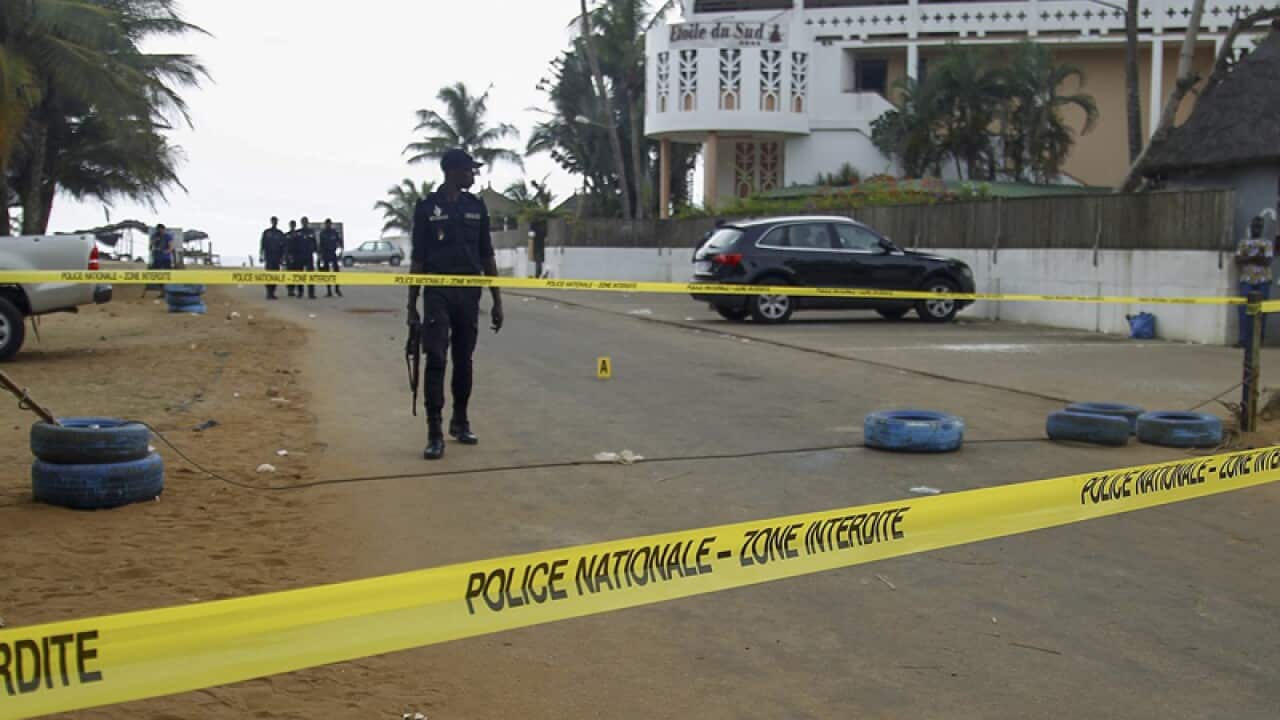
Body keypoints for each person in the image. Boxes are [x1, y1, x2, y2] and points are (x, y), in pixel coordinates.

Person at [407, 149, 505, 460]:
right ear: (453, 171)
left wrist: (497, 299)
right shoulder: (427, 207)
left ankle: (459, 421)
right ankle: (433, 431)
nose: (473, 175)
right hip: (437, 291)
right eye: (469, 170)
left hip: (470, 292)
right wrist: (412, 304)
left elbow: (486, 254)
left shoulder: (476, 206)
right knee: (436, 358)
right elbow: (418, 258)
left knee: (464, 360)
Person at [1236, 215, 1274, 348]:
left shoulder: (1267, 243)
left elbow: (1267, 261)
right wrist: (1257, 256)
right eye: (1254, 226)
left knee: (1261, 311)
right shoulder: (1243, 243)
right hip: (1246, 279)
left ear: (1262, 228)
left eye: (1259, 227)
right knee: (1243, 309)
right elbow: (1238, 260)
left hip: (1263, 280)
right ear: (1250, 227)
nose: (1256, 229)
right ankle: (1243, 340)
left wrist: (1248, 257)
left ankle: (1259, 341)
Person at [259, 216, 288, 300]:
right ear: (271, 222)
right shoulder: (266, 232)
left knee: (275, 275)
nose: (274, 223)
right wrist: (261, 255)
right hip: (269, 256)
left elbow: (284, 246)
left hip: (277, 257)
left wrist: (283, 257)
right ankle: (269, 292)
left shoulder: (280, 233)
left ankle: (273, 292)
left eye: (276, 221)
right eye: (273, 221)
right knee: (268, 274)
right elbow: (262, 244)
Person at [319, 219, 344, 297]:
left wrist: (340, 252)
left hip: (333, 254)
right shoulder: (322, 233)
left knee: (336, 272)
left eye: (329, 224)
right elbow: (320, 245)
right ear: (325, 224)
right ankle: (329, 291)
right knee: (327, 273)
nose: (328, 225)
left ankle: (337, 289)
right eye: (327, 224)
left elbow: (340, 242)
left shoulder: (334, 232)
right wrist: (320, 256)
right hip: (326, 254)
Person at [284, 220, 301, 298]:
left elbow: (302, 246)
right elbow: (284, 247)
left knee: (298, 273)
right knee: (289, 274)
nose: (292, 226)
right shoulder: (286, 235)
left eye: (293, 225)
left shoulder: (298, 235)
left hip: (297, 256)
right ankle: (290, 290)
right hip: (289, 256)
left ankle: (299, 291)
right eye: (291, 225)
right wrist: (285, 256)